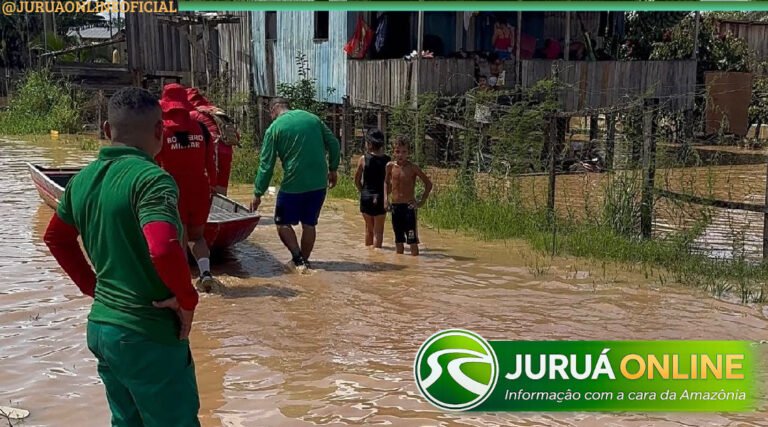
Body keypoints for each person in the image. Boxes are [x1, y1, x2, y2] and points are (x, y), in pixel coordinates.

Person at [43, 87, 201, 426]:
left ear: (106, 130)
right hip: (147, 333)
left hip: (103, 328)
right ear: (160, 131)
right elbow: (161, 245)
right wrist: (187, 299)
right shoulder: (152, 180)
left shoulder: (81, 180)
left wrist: (93, 288)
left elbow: (56, 237)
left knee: (127, 421)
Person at [251, 98, 340, 272]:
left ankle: (298, 260)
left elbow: (266, 165)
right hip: (319, 183)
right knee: (309, 224)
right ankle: (304, 262)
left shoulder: (274, 129)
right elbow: (334, 144)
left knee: (282, 223)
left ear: (273, 110)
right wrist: (333, 169)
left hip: (293, 184)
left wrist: (258, 192)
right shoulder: (312, 118)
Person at [156, 83, 217, 291]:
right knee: (197, 236)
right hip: (200, 188)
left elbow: (153, 163)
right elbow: (211, 162)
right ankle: (205, 273)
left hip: (173, 188)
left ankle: (182, 283)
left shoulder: (161, 131)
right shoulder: (201, 128)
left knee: (178, 235)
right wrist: (214, 187)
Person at [384, 136, 433, 256]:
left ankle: (415, 265)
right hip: (395, 207)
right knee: (398, 239)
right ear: (393, 152)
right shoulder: (390, 166)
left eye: (404, 152)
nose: (401, 155)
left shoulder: (413, 168)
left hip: (409, 208)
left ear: (408, 153)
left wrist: (421, 201)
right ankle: (401, 268)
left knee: (412, 241)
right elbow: (385, 182)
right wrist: (385, 199)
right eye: (397, 151)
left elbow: (428, 184)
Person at [186, 87, 240, 195]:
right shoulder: (214, 110)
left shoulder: (193, 114)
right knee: (222, 187)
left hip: (213, 150)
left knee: (210, 187)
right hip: (227, 149)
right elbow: (236, 135)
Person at [354, 128, 390, 248]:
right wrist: (386, 195)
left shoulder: (363, 159)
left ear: (368, 143)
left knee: (368, 229)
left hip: (366, 197)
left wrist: (362, 191)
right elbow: (390, 183)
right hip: (380, 197)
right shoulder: (388, 161)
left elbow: (357, 180)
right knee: (378, 232)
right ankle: (377, 255)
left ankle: (369, 257)